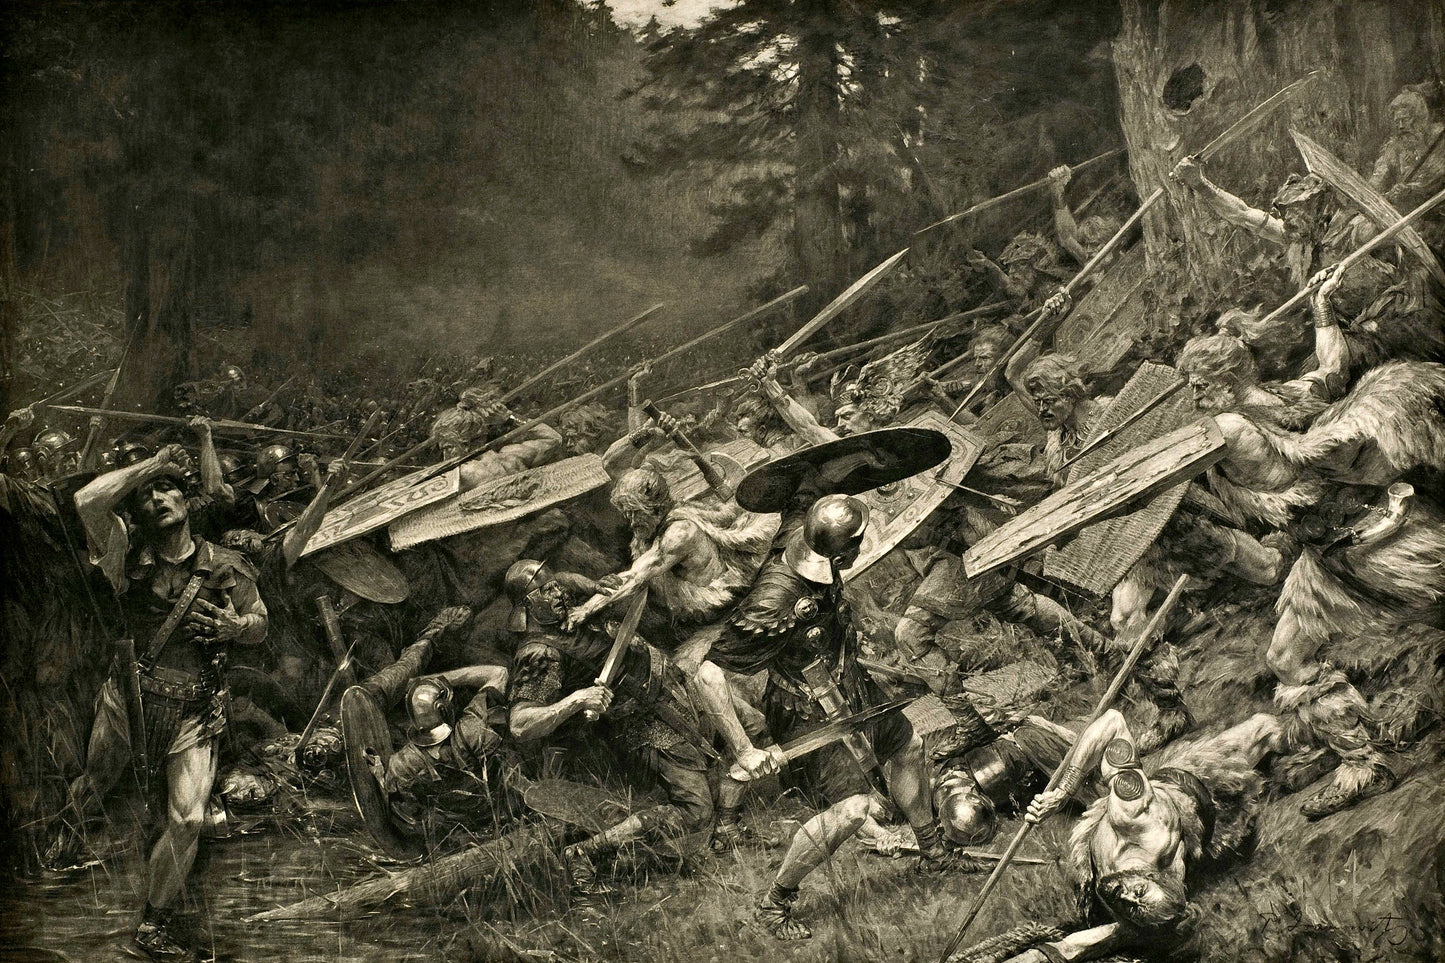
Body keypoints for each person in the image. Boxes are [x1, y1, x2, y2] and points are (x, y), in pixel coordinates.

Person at [1176, 266, 1445, 816]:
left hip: (1382, 539)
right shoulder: (1277, 398)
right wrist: (1322, 309)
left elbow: (1163, 471)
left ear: (1225, 382)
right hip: (1328, 561)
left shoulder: (1228, 431)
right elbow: (1331, 368)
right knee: (1286, 657)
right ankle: (1363, 764)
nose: (1191, 394)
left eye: (1198, 384)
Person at [699, 495, 983, 940]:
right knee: (852, 810)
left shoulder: (813, 548)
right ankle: (774, 902)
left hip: (849, 687)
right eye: (858, 541)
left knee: (907, 747)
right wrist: (744, 749)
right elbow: (708, 672)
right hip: (806, 709)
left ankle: (932, 850)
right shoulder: (777, 600)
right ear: (841, 548)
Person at [64, 444, 267, 960]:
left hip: (194, 710)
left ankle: (152, 926)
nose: (157, 499)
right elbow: (87, 501)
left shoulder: (227, 565)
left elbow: (260, 622)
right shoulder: (123, 552)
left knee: (188, 821)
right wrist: (151, 466)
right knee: (96, 785)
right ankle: (66, 839)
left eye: (167, 488)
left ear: (188, 499)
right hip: (127, 701)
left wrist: (236, 626)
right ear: (133, 513)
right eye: (145, 496)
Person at [503, 559, 714, 910]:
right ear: (527, 605)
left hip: (674, 694)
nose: (558, 592)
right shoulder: (540, 653)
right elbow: (520, 723)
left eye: (555, 585)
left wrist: (588, 585)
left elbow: (566, 576)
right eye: (546, 591)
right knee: (696, 810)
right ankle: (584, 855)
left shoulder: (565, 605)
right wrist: (576, 699)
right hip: (646, 726)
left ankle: (729, 831)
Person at [1020, 709, 1285, 961]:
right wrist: (1061, 794)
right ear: (1152, 876)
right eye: (1139, 891)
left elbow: (1113, 933)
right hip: (1194, 789)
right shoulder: (1135, 813)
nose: (1125, 896)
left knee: (1266, 734)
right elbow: (1113, 722)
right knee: (1264, 732)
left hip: (1192, 807)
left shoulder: (1145, 905)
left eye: (1132, 905)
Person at [564, 466, 777, 675]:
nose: (631, 522)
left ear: (655, 506)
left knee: (685, 673)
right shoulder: (663, 525)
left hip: (727, 615)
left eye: (635, 513)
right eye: (627, 514)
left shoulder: (679, 534)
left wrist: (586, 609)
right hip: (697, 620)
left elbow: (635, 577)